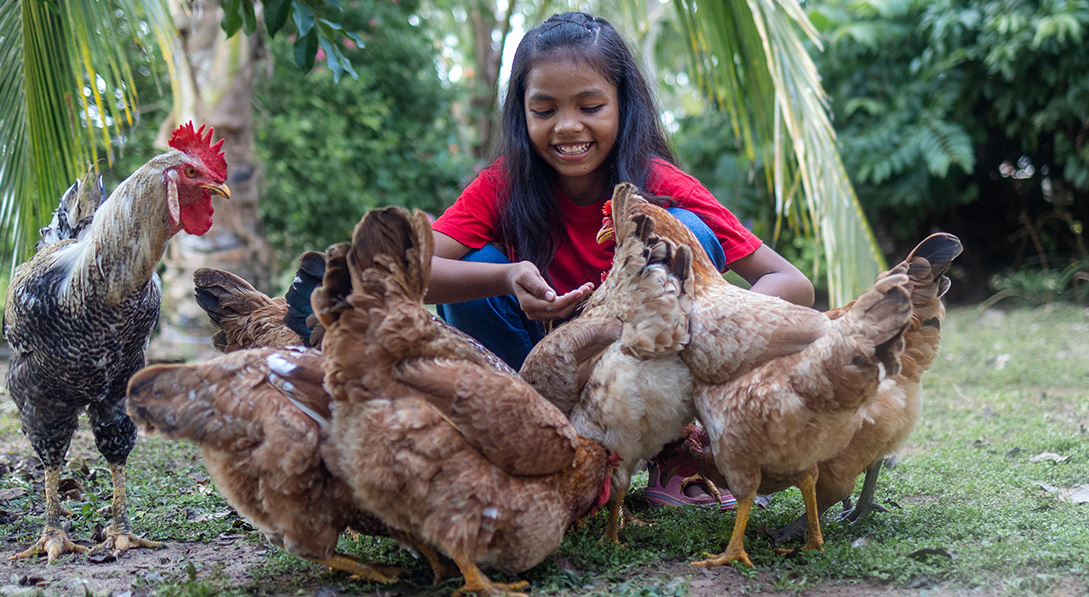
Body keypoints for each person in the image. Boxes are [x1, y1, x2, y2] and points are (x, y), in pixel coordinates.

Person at [424, 11, 814, 507]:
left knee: (689, 233)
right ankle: (529, 446)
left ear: (623, 106)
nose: (568, 127)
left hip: (648, 382)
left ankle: (673, 451)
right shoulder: (502, 185)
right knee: (474, 266)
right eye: (544, 110)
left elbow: (791, 283)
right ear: (521, 114)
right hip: (544, 381)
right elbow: (418, 274)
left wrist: (712, 323)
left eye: (590, 105)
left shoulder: (663, 184)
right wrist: (505, 276)